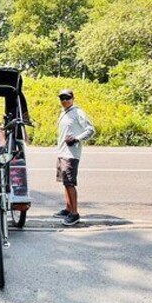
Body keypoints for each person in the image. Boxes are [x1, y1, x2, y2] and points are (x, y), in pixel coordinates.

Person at [55, 89, 95, 226]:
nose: (64, 100)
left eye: (67, 98)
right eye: (62, 98)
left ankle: (75, 213)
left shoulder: (78, 112)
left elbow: (90, 129)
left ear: (73, 98)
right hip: (62, 152)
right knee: (65, 182)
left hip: (71, 154)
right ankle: (68, 208)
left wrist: (76, 139)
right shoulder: (64, 112)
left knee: (70, 183)